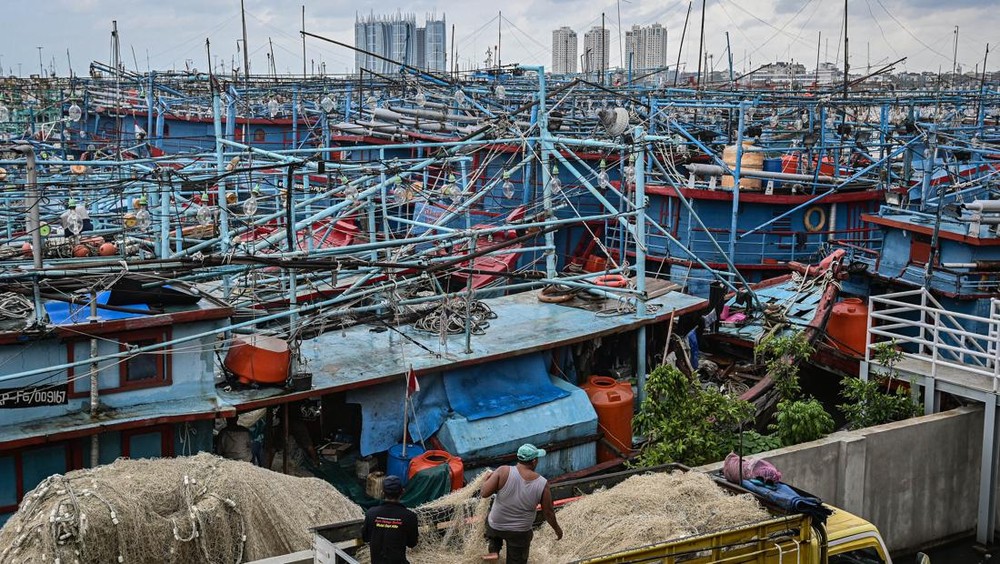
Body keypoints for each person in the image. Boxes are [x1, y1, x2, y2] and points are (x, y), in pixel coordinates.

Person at [479, 443, 562, 563]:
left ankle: (494, 550)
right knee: (517, 557)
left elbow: (484, 493)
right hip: (519, 532)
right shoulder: (542, 484)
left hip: (496, 525)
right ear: (534, 461)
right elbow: (548, 513)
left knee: (491, 521)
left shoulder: (502, 471)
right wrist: (557, 529)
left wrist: (486, 480)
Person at [362, 475, 419, 564]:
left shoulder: (371, 513)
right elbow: (412, 543)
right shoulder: (409, 516)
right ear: (402, 492)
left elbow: (365, 538)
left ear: (382, 492)